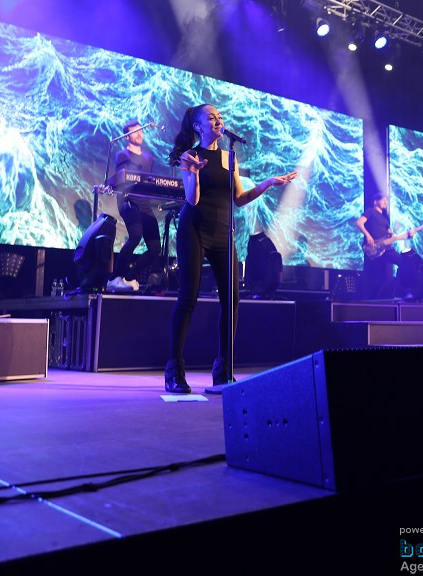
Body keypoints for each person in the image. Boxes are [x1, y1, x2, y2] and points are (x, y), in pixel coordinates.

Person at [165, 104, 296, 393]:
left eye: (219, 117)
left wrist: (268, 183)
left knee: (232, 300)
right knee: (188, 297)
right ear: (198, 127)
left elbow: (239, 197)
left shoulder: (229, 157)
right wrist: (196, 173)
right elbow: (193, 200)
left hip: (223, 233)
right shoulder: (191, 156)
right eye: (211, 118)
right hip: (194, 229)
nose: (219, 121)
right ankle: (174, 369)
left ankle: (224, 368)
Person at [107, 119, 161, 293]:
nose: (139, 134)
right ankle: (115, 278)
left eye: (141, 131)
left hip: (144, 204)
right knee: (135, 236)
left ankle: (130, 277)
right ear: (127, 137)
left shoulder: (148, 158)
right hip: (128, 201)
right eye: (134, 132)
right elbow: (123, 178)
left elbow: (148, 181)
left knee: (155, 248)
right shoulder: (122, 155)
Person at [356, 193, 412, 300]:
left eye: (386, 200)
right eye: (383, 200)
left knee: (398, 266)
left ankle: (398, 292)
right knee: (382, 277)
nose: (385, 202)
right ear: (375, 201)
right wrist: (368, 236)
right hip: (375, 248)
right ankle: (377, 300)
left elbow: (392, 235)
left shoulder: (385, 219)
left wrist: (408, 236)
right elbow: (359, 223)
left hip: (385, 249)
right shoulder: (370, 211)